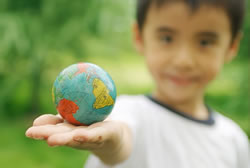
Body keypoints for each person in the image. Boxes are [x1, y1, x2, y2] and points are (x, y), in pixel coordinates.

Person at [25, 0, 249, 167]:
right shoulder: (128, 111)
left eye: (205, 42)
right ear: (139, 37)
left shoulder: (234, 140)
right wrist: (111, 144)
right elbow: (121, 139)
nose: (184, 60)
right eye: (167, 38)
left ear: (231, 46)